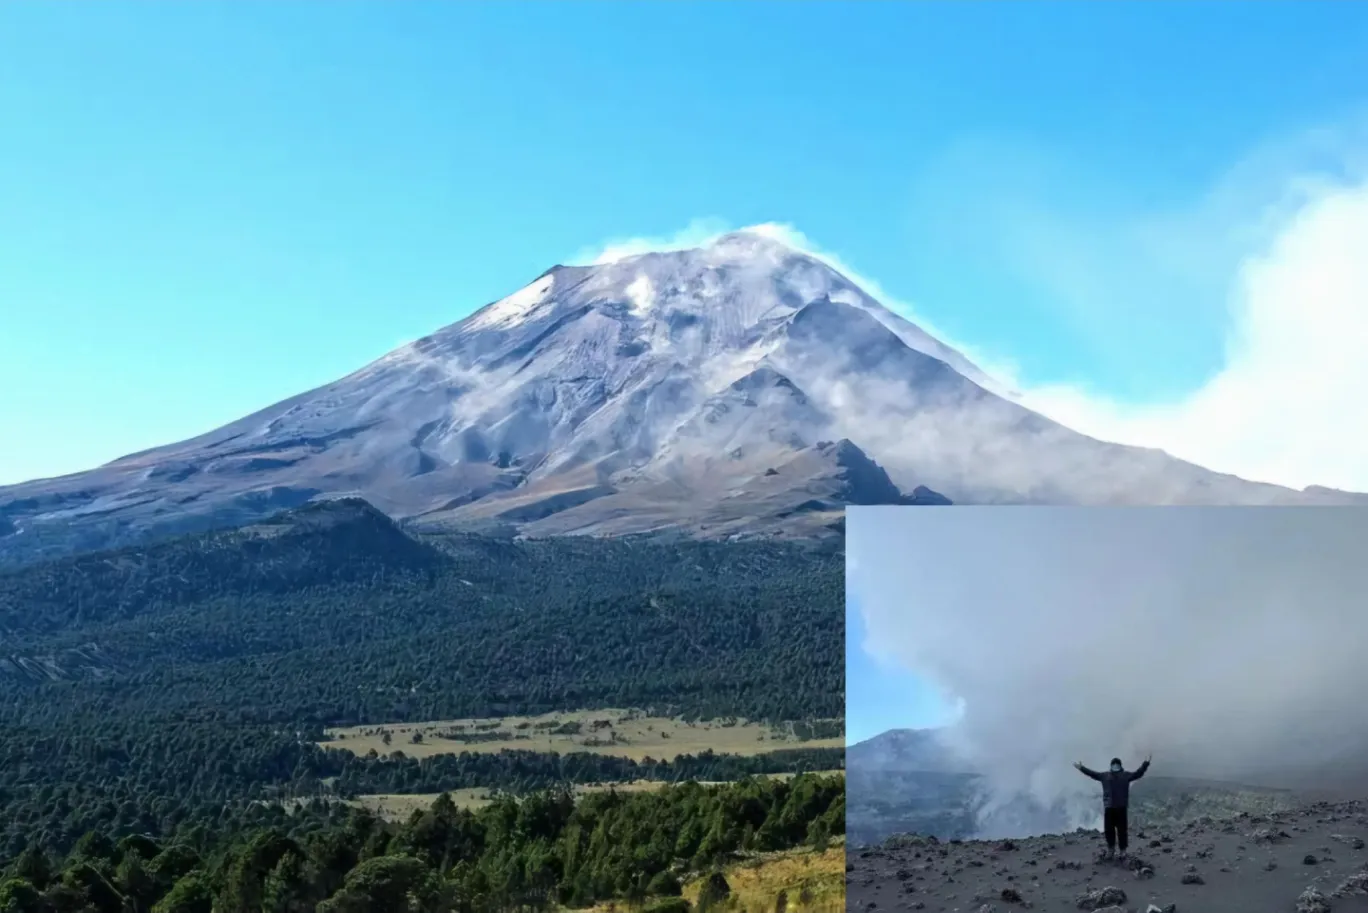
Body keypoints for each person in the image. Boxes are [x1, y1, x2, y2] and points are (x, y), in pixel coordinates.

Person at [1073, 754, 1151, 859]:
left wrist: (1145, 763)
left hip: (1121, 807)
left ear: (1120, 765)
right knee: (1109, 830)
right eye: (1113, 764)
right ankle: (1111, 849)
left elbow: (1138, 773)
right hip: (1109, 807)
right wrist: (1081, 768)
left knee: (1122, 830)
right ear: (1111, 765)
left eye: (1117, 764)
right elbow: (1092, 774)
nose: (1115, 766)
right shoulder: (1105, 776)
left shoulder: (1125, 775)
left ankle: (1123, 851)